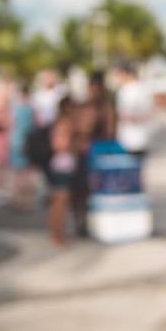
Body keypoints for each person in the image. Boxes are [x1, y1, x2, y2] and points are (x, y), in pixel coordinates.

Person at [71, 70, 116, 237]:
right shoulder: (83, 107)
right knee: (80, 191)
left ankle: (92, 223)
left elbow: (110, 132)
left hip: (98, 155)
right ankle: (81, 222)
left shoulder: (106, 108)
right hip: (83, 155)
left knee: (94, 191)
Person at [47, 96, 76, 245]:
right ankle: (58, 235)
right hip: (62, 164)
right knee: (60, 203)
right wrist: (72, 145)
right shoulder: (64, 123)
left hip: (60, 164)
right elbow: (59, 144)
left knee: (59, 202)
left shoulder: (59, 122)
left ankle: (58, 233)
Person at [115, 63, 154, 160]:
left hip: (133, 139)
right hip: (141, 138)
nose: (118, 78)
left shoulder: (128, 90)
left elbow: (127, 113)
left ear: (125, 73)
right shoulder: (144, 88)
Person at [8, 83, 36, 209]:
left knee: (17, 173)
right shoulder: (31, 108)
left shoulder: (15, 108)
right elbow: (34, 125)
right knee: (28, 174)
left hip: (16, 141)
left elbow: (11, 124)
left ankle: (17, 199)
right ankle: (27, 201)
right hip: (28, 142)